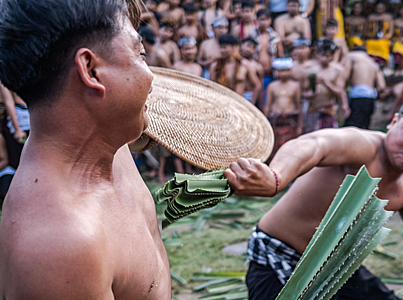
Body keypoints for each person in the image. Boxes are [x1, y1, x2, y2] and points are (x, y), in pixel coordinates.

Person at [224, 86, 403, 300]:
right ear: (394, 121)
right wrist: (276, 177)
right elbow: (314, 144)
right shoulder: (364, 147)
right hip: (277, 259)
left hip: (336, 268)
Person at [0, 0, 172, 298]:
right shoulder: (63, 246)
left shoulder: (107, 141)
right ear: (90, 70)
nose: (151, 75)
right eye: (140, 54)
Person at [303, 39, 347, 132]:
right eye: (322, 55)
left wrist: (326, 83)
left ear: (333, 56)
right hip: (313, 108)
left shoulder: (338, 70)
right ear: (317, 54)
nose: (324, 59)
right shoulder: (310, 70)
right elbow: (302, 92)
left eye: (327, 56)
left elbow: (339, 92)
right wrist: (310, 94)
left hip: (329, 109)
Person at [264, 58, 302, 159]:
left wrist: (300, 126)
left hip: (290, 122)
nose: (283, 73)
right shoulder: (272, 86)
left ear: (290, 70)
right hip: (276, 121)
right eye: (281, 71)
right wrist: (265, 124)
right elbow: (267, 105)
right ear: (276, 71)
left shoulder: (295, 86)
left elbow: (299, 105)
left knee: (290, 149)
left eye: (286, 70)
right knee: (274, 149)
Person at [210, 34, 262, 104]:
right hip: (221, 103)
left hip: (239, 104)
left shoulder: (244, 65)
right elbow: (210, 87)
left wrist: (251, 103)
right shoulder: (215, 66)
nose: (221, 50)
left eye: (224, 47)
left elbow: (257, 85)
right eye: (220, 47)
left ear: (234, 47)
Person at [343, 48, 386, 129]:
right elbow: (382, 86)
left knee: (351, 128)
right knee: (364, 127)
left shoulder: (352, 56)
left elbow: (343, 77)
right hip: (370, 98)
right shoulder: (373, 63)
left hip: (358, 96)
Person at [250, 9, 283, 102]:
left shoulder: (275, 37)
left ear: (270, 20)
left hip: (271, 74)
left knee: (269, 100)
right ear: (256, 20)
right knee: (256, 101)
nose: (263, 22)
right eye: (261, 19)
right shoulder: (251, 36)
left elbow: (280, 55)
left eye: (266, 19)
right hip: (254, 74)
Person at [365, 1, 394, 66]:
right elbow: (366, 32)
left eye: (381, 8)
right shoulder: (370, 17)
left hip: (384, 39)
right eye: (378, 8)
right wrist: (372, 36)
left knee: (382, 44)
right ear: (375, 8)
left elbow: (390, 33)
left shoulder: (389, 17)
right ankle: (371, 62)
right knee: (369, 43)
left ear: (384, 8)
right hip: (372, 39)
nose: (379, 9)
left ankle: (383, 63)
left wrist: (383, 38)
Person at [240, 37, 265, 104]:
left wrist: (254, 102)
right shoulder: (236, 63)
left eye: (253, 48)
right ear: (241, 46)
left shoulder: (258, 67)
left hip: (251, 96)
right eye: (248, 46)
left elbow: (260, 87)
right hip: (238, 95)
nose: (249, 49)